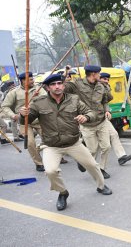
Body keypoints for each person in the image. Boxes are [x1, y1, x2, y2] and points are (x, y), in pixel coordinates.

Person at [19, 74, 112, 211]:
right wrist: (23, 114)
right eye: (53, 84)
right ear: (47, 87)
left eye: (59, 83)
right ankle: (63, 193)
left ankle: (101, 186)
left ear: (63, 85)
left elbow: (90, 112)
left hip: (73, 143)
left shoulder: (74, 99)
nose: (57, 86)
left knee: (92, 165)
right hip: (52, 145)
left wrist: (85, 117)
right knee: (50, 171)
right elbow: (26, 121)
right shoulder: (39, 102)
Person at [64, 65, 112, 179]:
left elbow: (105, 101)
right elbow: (63, 87)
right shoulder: (77, 84)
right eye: (99, 74)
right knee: (92, 150)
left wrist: (107, 111)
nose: (100, 76)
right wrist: (66, 73)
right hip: (86, 123)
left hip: (101, 120)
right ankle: (83, 162)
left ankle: (102, 168)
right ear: (93, 74)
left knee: (106, 147)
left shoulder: (101, 86)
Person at [0, 72, 45, 171]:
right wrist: (14, 115)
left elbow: (47, 100)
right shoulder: (14, 92)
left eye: (33, 79)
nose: (33, 81)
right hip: (24, 122)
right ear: (23, 81)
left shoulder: (39, 89)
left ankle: (55, 156)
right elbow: (5, 106)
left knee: (50, 139)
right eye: (30, 79)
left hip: (40, 120)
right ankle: (39, 163)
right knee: (30, 143)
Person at [99, 72, 131, 165]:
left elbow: (108, 99)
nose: (106, 81)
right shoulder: (94, 88)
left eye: (107, 79)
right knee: (92, 144)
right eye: (104, 79)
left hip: (103, 117)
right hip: (92, 118)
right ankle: (83, 160)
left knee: (114, 134)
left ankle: (121, 156)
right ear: (99, 78)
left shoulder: (105, 88)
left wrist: (107, 87)